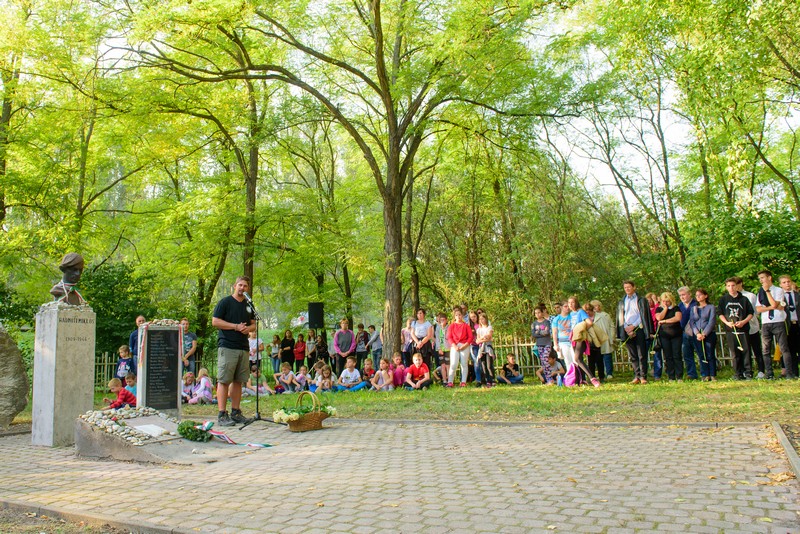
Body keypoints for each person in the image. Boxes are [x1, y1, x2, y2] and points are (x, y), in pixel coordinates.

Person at [211, 275, 255, 426]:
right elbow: (215, 321)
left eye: (245, 286)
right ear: (234, 286)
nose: (242, 288)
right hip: (227, 346)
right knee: (224, 380)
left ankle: (236, 412)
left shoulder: (249, 304)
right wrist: (235, 326)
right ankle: (222, 414)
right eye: (240, 285)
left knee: (238, 381)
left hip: (243, 347)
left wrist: (248, 329)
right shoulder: (225, 302)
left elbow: (253, 324)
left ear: (248, 288)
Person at [756, 270, 795, 379]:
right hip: (766, 322)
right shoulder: (760, 292)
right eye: (760, 279)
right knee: (766, 349)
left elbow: (774, 303)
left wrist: (767, 291)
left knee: (784, 348)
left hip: (778, 321)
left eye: (763, 278)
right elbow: (758, 309)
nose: (761, 280)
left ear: (769, 278)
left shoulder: (778, 290)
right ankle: (769, 373)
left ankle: (789, 373)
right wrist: (771, 307)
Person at [616, 281, 654, 384]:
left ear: (634, 287)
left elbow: (643, 315)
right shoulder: (622, 301)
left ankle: (643, 376)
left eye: (629, 287)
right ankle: (636, 375)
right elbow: (621, 316)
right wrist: (626, 328)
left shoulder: (641, 300)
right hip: (626, 329)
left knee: (641, 354)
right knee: (632, 355)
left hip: (639, 328)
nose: (627, 289)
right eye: (625, 287)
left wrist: (633, 326)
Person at [718, 278, 755, 380]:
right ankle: (738, 373)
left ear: (737, 286)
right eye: (729, 286)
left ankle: (748, 372)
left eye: (733, 285)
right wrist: (727, 323)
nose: (731, 288)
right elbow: (720, 313)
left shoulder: (744, 299)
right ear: (726, 287)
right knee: (735, 352)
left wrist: (743, 322)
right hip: (731, 330)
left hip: (743, 329)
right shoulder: (723, 299)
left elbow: (750, 313)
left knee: (746, 351)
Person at [737, 277, 765, 378]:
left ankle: (761, 370)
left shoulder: (750, 296)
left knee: (756, 349)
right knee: (744, 350)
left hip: (752, 326)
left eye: (736, 284)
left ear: (741, 284)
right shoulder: (732, 298)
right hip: (740, 328)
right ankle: (746, 371)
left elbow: (755, 311)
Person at [689, 288, 717, 381]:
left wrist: (704, 333)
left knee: (710, 354)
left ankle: (712, 374)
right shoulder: (694, 308)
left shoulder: (711, 307)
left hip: (709, 334)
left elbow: (712, 321)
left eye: (700, 295)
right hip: (697, 335)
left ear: (705, 296)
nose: (698, 297)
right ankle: (705, 374)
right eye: (696, 295)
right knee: (701, 354)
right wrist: (697, 333)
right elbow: (692, 322)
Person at [655, 292, 684, 381]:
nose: (665, 303)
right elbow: (659, 318)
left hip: (676, 335)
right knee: (668, 356)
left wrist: (665, 321)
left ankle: (679, 376)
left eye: (667, 301)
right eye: (664, 301)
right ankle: (671, 376)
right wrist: (665, 309)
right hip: (664, 336)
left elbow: (678, 318)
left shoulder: (676, 308)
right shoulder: (659, 309)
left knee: (677, 355)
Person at [568, 315, 601, 387]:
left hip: (580, 337)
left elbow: (589, 323)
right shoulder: (570, 314)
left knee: (578, 359)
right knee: (577, 360)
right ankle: (580, 380)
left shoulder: (580, 312)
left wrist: (582, 330)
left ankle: (593, 379)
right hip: (574, 337)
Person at [446, 306, 473, 387]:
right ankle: (450, 382)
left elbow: (470, 337)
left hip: (464, 345)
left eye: (460, 315)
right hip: (455, 345)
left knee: (464, 364)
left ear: (462, 316)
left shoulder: (466, 326)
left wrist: (465, 345)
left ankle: (463, 382)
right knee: (453, 364)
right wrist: (454, 346)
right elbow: (449, 337)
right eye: (456, 315)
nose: (458, 316)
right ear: (454, 316)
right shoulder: (451, 326)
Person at [779, 275, 800, 378]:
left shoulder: (797, 295)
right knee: (791, 349)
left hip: (798, 323)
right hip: (788, 325)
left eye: (788, 281)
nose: (787, 284)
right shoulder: (780, 297)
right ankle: (794, 372)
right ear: (780, 285)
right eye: (784, 282)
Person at [677, 287, 700, 380]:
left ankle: (705, 373)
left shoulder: (696, 304)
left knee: (700, 353)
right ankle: (691, 374)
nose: (682, 297)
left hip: (696, 332)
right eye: (680, 295)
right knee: (687, 355)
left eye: (684, 294)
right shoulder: (679, 306)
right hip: (684, 333)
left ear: (689, 294)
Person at [590, 300, 615, 379]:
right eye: (593, 306)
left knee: (607, 356)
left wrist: (611, 337)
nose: (595, 308)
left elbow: (611, 326)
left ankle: (609, 373)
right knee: (597, 357)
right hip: (596, 339)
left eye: (596, 305)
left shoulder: (605, 315)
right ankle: (600, 373)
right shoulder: (590, 317)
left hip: (605, 337)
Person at [475, 312, 496, 388]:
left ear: (486, 319)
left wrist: (482, 339)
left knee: (489, 365)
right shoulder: (479, 330)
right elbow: (477, 341)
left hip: (488, 348)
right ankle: (487, 380)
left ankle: (492, 379)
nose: (481, 320)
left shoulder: (489, 328)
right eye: (480, 319)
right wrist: (483, 338)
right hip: (482, 349)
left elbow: (489, 337)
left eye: (483, 319)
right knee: (483, 365)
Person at [646, 292, 662, 380]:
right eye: (648, 300)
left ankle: (657, 375)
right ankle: (643, 374)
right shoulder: (645, 310)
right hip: (647, 334)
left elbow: (657, 316)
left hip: (656, 334)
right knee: (643, 355)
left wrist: (656, 302)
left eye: (651, 300)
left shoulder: (657, 308)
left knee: (657, 355)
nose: (649, 302)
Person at [552, 301, 573, 368]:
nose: (567, 308)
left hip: (573, 341)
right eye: (565, 306)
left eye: (568, 306)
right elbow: (554, 332)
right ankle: (571, 374)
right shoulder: (556, 319)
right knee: (568, 361)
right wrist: (555, 344)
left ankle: (578, 374)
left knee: (576, 360)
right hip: (563, 342)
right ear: (561, 307)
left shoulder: (572, 316)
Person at [531, 305, 552, 371]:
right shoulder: (534, 324)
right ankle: (548, 375)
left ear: (542, 313)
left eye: (539, 312)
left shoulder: (547, 322)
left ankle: (550, 374)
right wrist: (542, 332)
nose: (537, 314)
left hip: (547, 343)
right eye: (536, 313)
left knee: (545, 358)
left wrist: (538, 332)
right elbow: (533, 334)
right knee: (543, 361)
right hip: (539, 344)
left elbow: (547, 332)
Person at [434, 313, 449, 381]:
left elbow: (448, 337)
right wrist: (439, 348)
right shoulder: (438, 328)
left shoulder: (449, 327)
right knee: (442, 366)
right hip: (440, 349)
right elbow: (437, 339)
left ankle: (449, 380)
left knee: (448, 365)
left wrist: (443, 329)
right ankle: (444, 380)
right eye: (441, 320)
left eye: (443, 320)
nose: (442, 322)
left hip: (448, 349)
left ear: (446, 320)